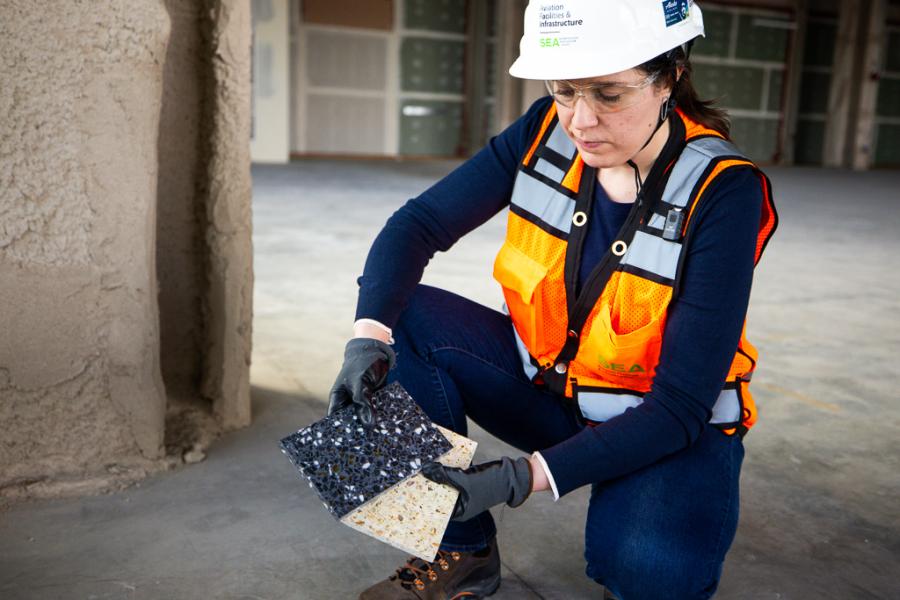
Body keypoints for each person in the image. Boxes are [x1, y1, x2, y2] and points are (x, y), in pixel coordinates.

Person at [327, 1, 778, 598]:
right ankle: (460, 550)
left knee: (649, 577)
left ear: (670, 75)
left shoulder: (724, 190)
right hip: (549, 392)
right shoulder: (544, 128)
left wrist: (520, 477)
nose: (580, 120)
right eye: (565, 90)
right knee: (399, 317)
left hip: (662, 424)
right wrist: (367, 337)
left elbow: (680, 408)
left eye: (609, 94)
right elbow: (418, 225)